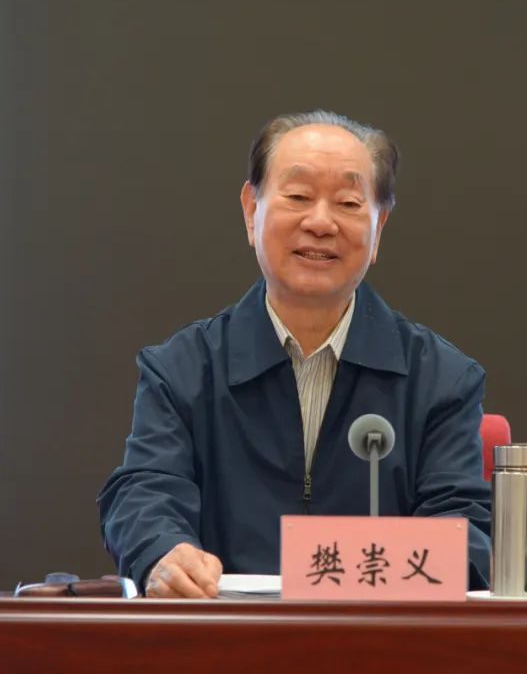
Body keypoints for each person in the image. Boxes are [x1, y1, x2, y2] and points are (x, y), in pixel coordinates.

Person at [98, 110, 491, 598]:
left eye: (348, 203)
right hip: (226, 634)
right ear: (251, 210)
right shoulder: (182, 370)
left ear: (379, 227)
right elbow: (144, 493)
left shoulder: (442, 380)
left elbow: (464, 534)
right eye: (299, 197)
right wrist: (163, 551)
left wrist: (340, 575)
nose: (320, 222)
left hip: (379, 637)